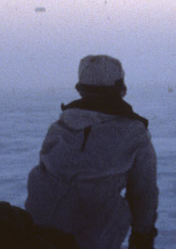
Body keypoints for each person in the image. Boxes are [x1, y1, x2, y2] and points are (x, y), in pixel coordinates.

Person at [25, 54, 159, 249]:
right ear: (119, 87)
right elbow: (144, 192)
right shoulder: (133, 131)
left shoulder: (60, 126)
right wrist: (142, 236)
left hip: (38, 229)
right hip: (93, 235)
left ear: (81, 88)